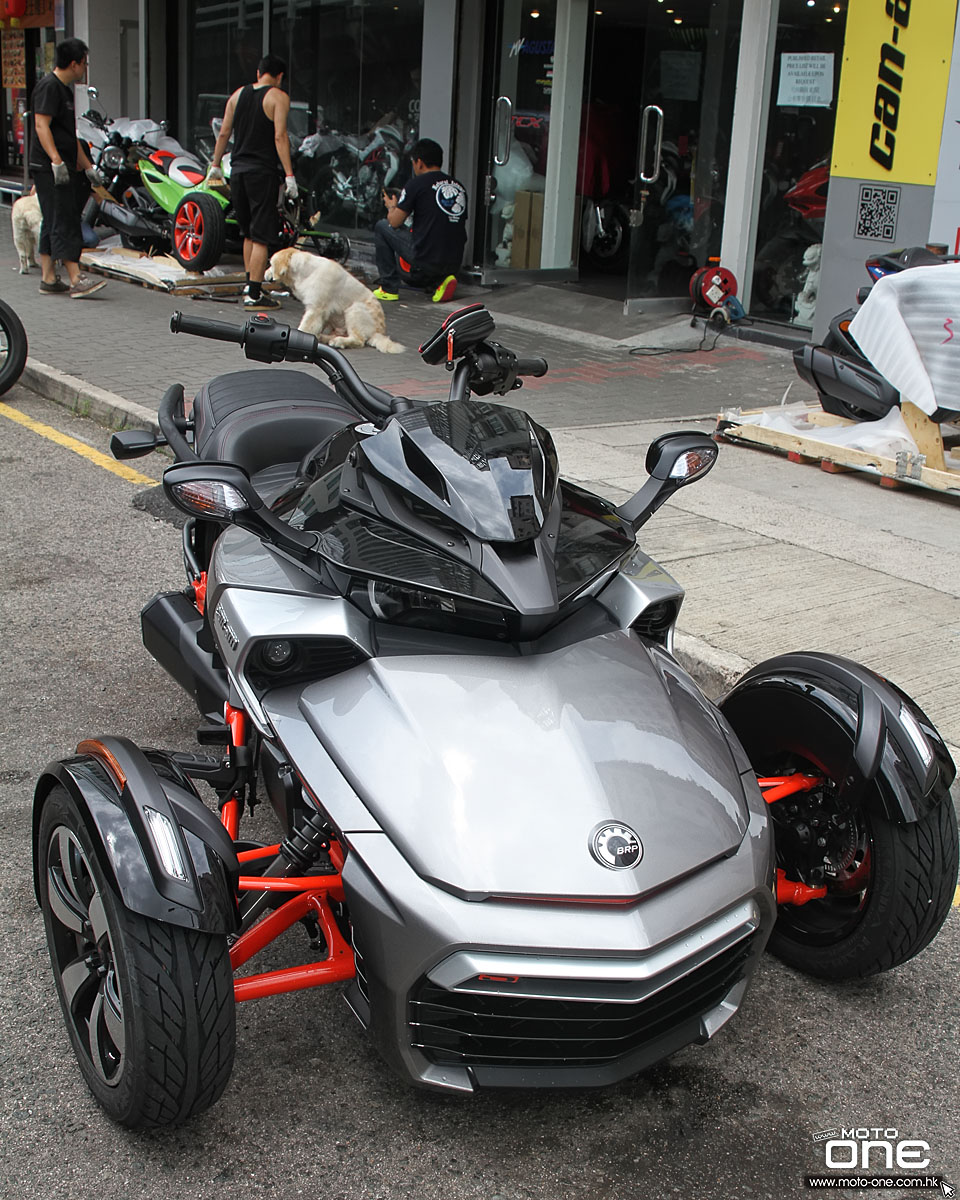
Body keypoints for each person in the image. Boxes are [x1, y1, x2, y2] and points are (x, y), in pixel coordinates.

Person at [207, 54, 298, 310]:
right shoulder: (278, 97)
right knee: (261, 235)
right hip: (262, 173)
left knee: (248, 232)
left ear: (259, 73)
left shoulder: (237, 95)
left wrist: (215, 165)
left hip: (238, 171)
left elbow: (224, 131)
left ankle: (250, 284)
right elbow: (280, 136)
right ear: (279, 77)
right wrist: (290, 175)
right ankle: (255, 294)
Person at [28, 37, 106, 299]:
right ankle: (76, 278)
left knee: (52, 219)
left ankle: (49, 278)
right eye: (84, 64)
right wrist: (56, 161)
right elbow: (41, 126)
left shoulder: (64, 89)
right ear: (73, 64)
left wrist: (87, 167)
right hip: (49, 167)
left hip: (59, 164)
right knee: (65, 218)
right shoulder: (49, 87)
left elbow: (68, 135)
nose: (85, 69)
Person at [372, 137, 467, 304]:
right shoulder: (458, 186)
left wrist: (391, 207)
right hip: (454, 262)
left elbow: (394, 222)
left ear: (419, 163)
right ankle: (440, 282)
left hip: (425, 259)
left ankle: (388, 288)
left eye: (413, 163)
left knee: (382, 226)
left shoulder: (416, 184)